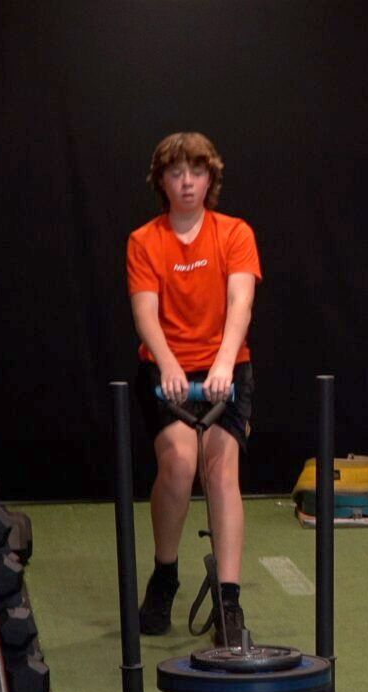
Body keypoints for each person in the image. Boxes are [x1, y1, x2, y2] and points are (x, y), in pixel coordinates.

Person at [126, 131, 262, 647]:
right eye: (176, 173)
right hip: (169, 378)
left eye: (197, 172)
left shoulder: (234, 233)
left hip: (227, 371)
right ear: (161, 181)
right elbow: (145, 311)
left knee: (221, 467)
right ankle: (165, 573)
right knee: (180, 464)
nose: (187, 182)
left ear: (211, 178)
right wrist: (167, 364)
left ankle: (229, 598)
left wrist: (225, 359)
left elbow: (240, 303)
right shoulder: (145, 241)